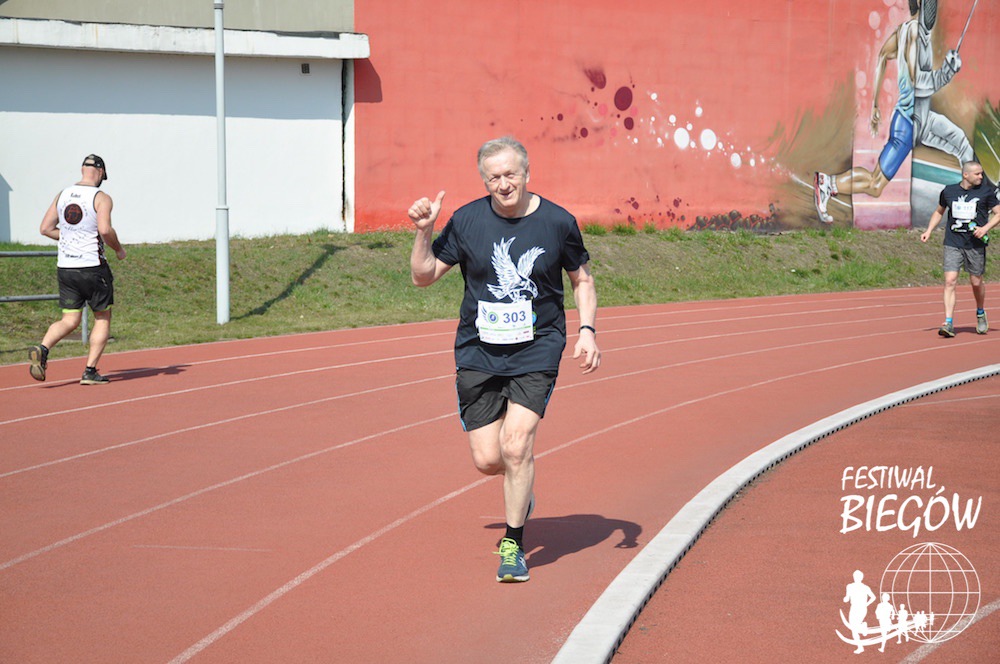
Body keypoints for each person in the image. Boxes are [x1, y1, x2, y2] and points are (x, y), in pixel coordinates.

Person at [408, 136, 600, 582]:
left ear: (527, 173)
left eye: (511, 174)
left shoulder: (557, 222)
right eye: (493, 177)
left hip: (537, 347)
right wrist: (423, 231)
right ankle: (522, 488)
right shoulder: (467, 220)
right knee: (488, 460)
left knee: (516, 445)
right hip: (478, 350)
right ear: (484, 181)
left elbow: (582, 280)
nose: (503, 183)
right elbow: (423, 277)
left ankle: (513, 545)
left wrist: (587, 331)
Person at [814, 0, 969, 223]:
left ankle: (979, 197)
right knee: (875, 184)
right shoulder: (914, 32)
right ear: (923, 6)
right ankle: (828, 183)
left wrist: (875, 105)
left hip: (916, 120)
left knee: (959, 141)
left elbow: (882, 56)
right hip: (908, 123)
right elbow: (917, 82)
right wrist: (946, 72)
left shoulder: (903, 31)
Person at [28, 154, 126, 385]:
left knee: (70, 319)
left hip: (66, 267)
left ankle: (43, 348)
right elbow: (105, 229)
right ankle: (90, 371)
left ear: (82, 170)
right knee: (102, 316)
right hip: (92, 267)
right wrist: (119, 249)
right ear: (100, 173)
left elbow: (45, 228)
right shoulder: (101, 197)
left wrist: (70, 237)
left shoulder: (62, 195)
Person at [920, 161, 999, 337]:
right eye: (977, 174)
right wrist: (929, 230)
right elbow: (939, 211)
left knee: (976, 282)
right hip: (953, 242)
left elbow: (998, 213)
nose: (981, 177)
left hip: (975, 244)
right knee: (950, 281)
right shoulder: (949, 191)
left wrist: (985, 228)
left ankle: (980, 312)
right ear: (965, 175)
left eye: (981, 173)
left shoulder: (986, 192)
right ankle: (948, 322)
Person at [843, 569, 877, 653]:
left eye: (858, 576)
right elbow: (847, 598)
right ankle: (860, 646)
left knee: (854, 627)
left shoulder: (865, 587)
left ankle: (863, 626)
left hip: (861, 608)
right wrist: (845, 599)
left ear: (861, 577)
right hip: (853, 607)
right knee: (853, 628)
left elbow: (873, 597)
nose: (856, 578)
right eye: (855, 576)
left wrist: (866, 604)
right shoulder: (849, 586)